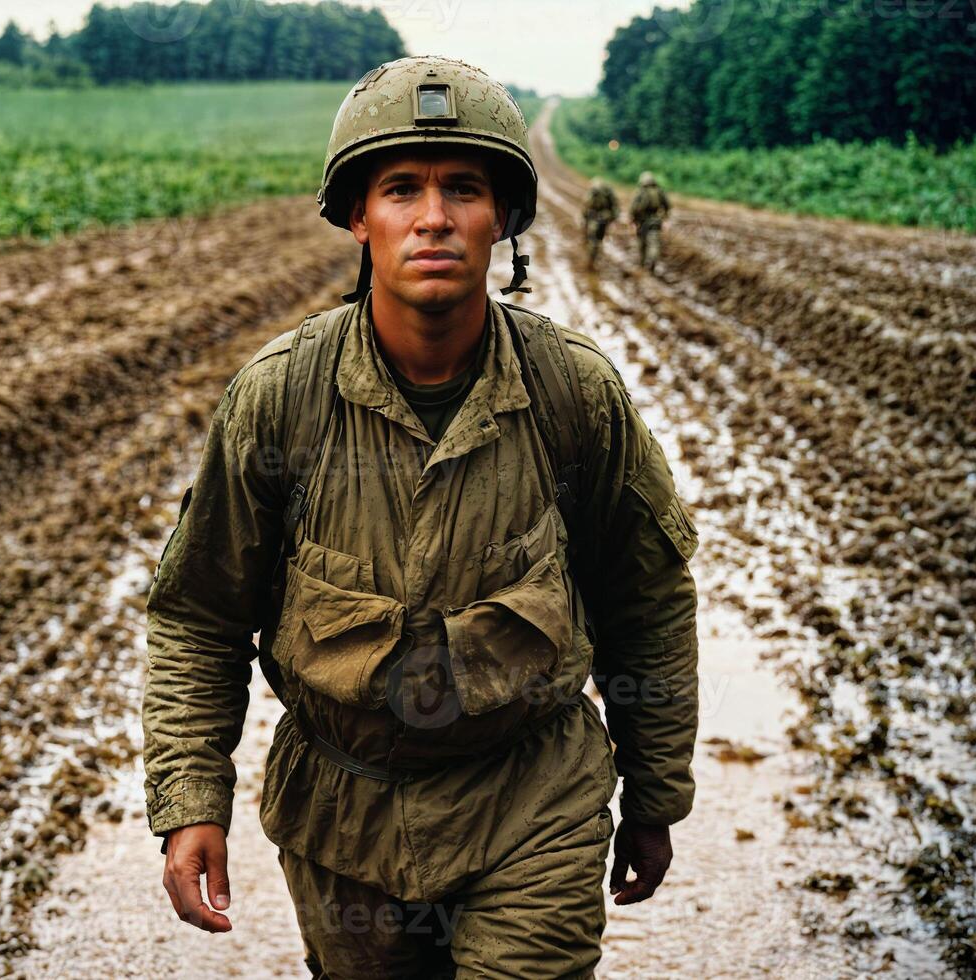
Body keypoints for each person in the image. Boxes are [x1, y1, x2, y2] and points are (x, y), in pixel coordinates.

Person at [142, 55, 699, 979]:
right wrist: (194, 798)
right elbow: (199, 613)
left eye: (464, 190)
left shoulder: (575, 395)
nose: (434, 218)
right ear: (359, 216)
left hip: (533, 802)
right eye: (401, 189)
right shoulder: (281, 400)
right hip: (342, 816)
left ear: (504, 218)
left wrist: (654, 793)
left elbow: (648, 603)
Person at [630, 171, 671, 273]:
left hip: (642, 221)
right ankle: (652, 261)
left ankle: (642, 263)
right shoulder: (659, 191)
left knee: (642, 243)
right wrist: (664, 218)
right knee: (654, 243)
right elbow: (667, 206)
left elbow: (634, 208)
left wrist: (633, 221)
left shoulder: (640, 192)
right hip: (655, 221)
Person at [582, 177, 618, 265]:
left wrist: (585, 217)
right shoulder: (608, 193)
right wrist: (612, 218)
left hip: (594, 218)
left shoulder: (593, 193)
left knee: (593, 239)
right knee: (598, 238)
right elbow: (614, 208)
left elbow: (586, 205)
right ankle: (594, 256)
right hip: (604, 218)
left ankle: (592, 258)